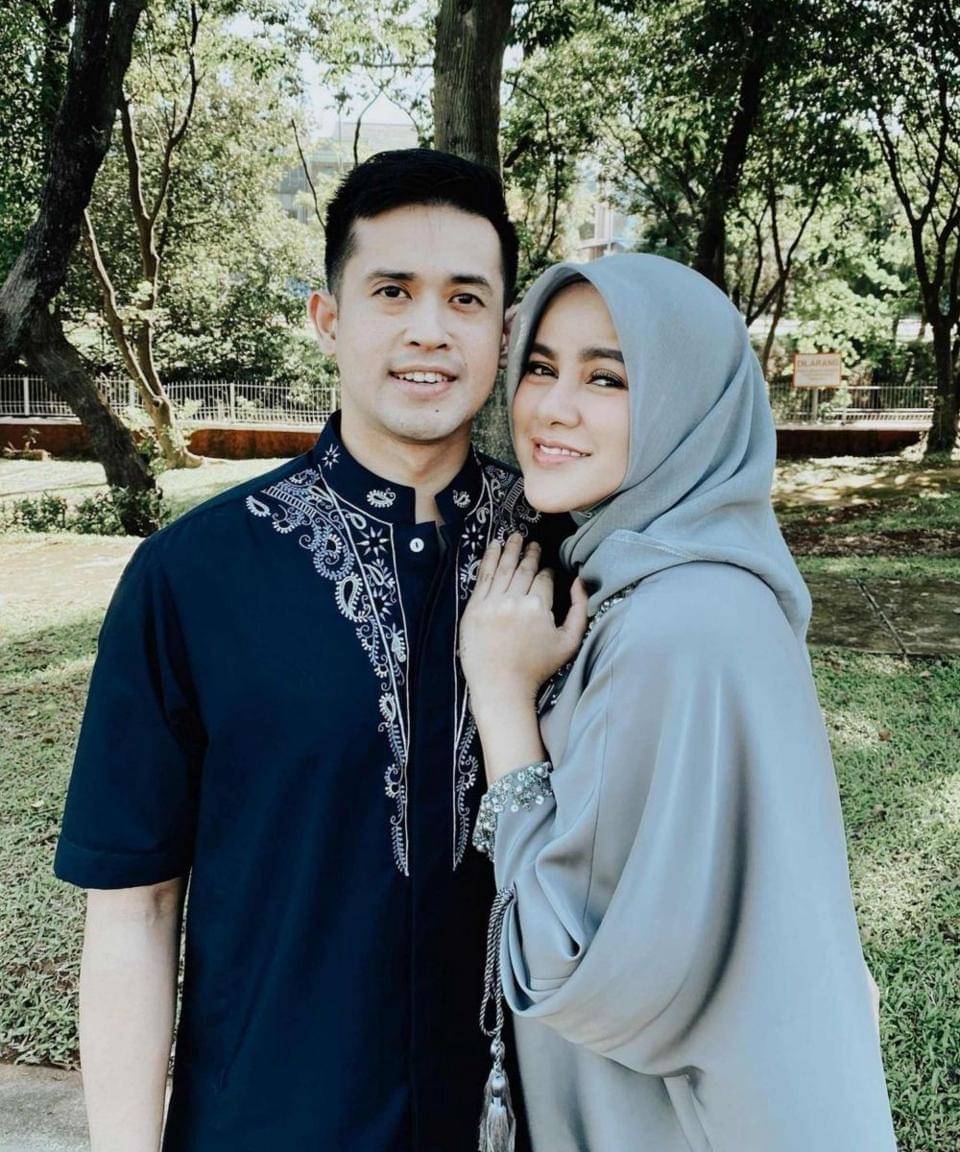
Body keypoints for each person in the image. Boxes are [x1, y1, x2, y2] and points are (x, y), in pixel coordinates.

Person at [52, 148, 569, 1151]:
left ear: (505, 334)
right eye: (392, 291)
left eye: (466, 299)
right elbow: (134, 908)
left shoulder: (570, 561)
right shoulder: (192, 577)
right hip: (267, 1124)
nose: (430, 329)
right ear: (328, 319)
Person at [459, 253, 898, 1151]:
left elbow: (563, 962)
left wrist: (501, 699)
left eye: (607, 378)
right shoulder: (708, 582)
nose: (553, 407)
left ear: (690, 405)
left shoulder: (676, 626)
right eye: (540, 366)